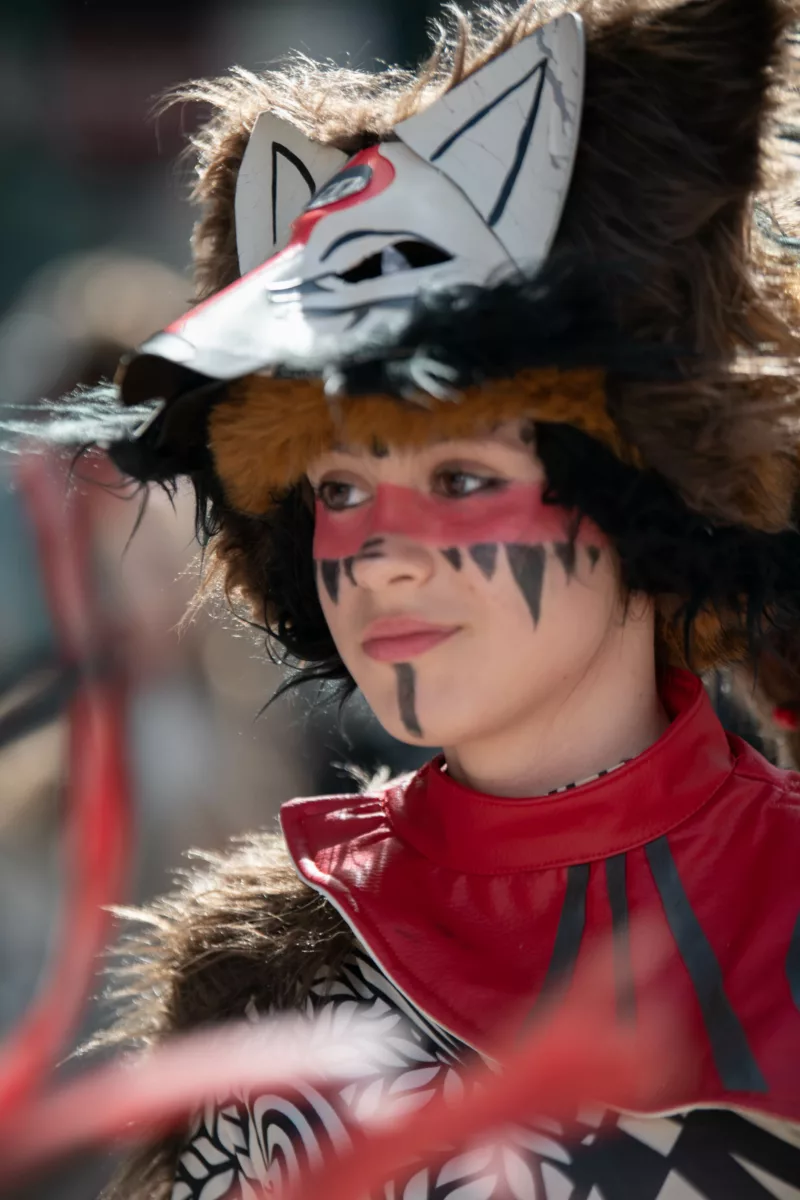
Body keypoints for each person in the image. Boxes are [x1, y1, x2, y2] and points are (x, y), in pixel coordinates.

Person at [47, 0, 800, 1194]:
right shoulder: (264, 987)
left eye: (459, 478)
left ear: (643, 497)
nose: (380, 554)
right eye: (338, 488)